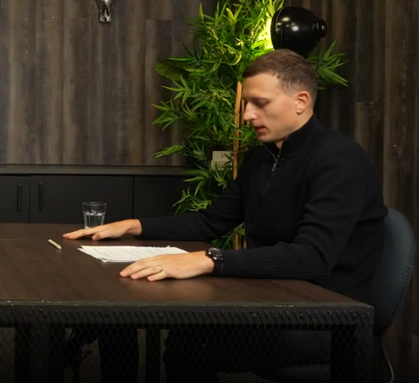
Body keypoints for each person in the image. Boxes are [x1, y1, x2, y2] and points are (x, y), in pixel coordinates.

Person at [62, 49, 387, 381]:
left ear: (301, 101)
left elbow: (313, 256)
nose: (247, 115)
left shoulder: (340, 159)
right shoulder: (261, 158)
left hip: (327, 319)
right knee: (174, 326)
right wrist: (135, 226)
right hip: (270, 299)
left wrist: (210, 259)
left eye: (260, 103)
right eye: (247, 103)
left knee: (192, 341)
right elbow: (211, 221)